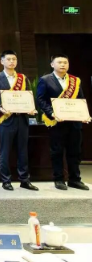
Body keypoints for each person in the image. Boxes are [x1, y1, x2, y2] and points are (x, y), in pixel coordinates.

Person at [0, 50, 38, 191]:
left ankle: (24, 180)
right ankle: (6, 180)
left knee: (23, 151)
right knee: (5, 151)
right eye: (8, 59)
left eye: (14, 59)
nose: (12, 62)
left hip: (22, 119)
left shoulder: (22, 78)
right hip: (6, 119)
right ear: (2, 61)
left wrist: (31, 108)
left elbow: (28, 95)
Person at [37, 54, 91, 191]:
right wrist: (51, 113)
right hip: (56, 122)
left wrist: (84, 115)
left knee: (75, 152)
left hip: (74, 122)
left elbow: (80, 99)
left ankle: (75, 179)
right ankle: (59, 179)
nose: (63, 65)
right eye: (59, 62)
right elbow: (41, 100)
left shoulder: (75, 81)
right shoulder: (45, 80)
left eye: (65, 62)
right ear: (52, 64)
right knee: (57, 152)